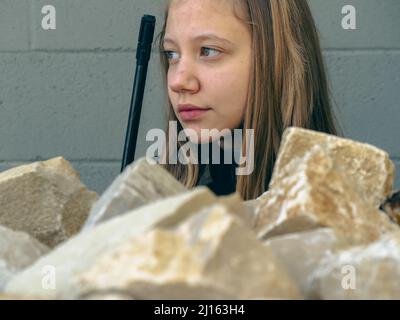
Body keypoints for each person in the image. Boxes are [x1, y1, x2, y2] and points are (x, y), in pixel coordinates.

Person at [156, 0, 341, 200]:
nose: (177, 81)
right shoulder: (164, 211)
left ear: (275, 58)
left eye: (208, 50)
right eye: (172, 54)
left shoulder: (338, 214)